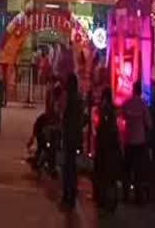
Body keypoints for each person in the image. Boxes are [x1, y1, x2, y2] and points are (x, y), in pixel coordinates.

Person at [122, 80, 151, 203]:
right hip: (140, 141)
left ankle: (126, 195)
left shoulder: (126, 103)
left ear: (133, 90)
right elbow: (149, 124)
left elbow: (123, 117)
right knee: (138, 170)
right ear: (140, 91)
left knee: (127, 169)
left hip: (129, 140)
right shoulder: (143, 105)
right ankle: (139, 196)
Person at [94, 87, 121, 215]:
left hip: (106, 148)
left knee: (105, 175)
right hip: (111, 147)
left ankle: (106, 202)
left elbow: (103, 131)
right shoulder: (112, 111)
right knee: (110, 177)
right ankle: (110, 201)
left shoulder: (106, 111)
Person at [61, 73, 83, 209]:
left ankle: (68, 195)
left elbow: (65, 117)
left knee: (68, 166)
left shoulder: (69, 99)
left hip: (69, 137)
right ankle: (71, 196)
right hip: (74, 137)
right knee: (72, 166)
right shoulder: (77, 99)